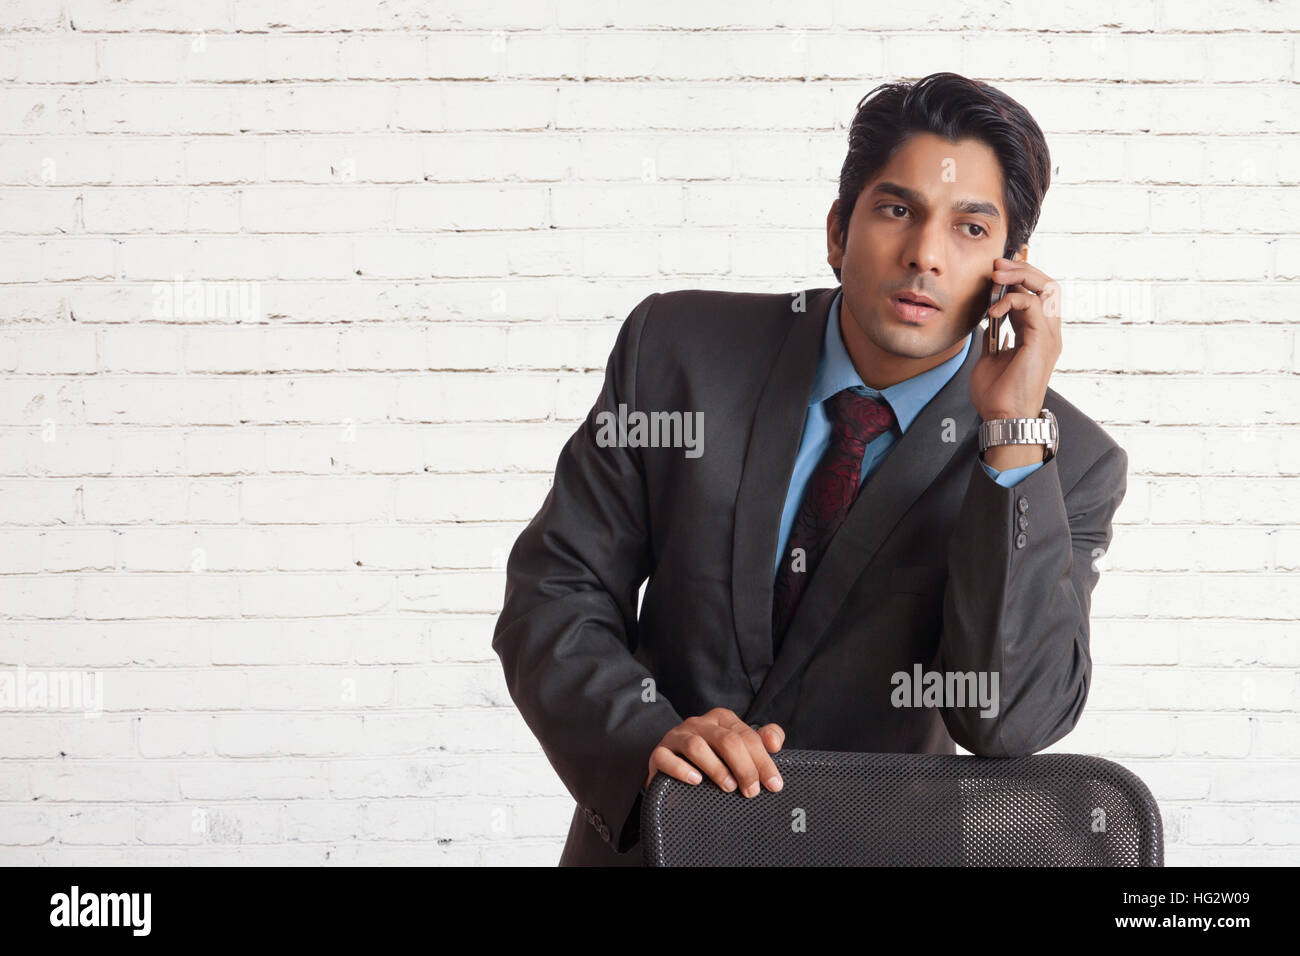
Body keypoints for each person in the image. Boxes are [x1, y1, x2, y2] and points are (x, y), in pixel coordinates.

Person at [492, 72, 1128, 866]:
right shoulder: (678, 354)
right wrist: (650, 740)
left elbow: (1011, 719)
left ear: (1012, 270)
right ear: (838, 231)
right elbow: (557, 592)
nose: (925, 255)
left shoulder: (1064, 460)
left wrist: (1010, 441)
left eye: (970, 229)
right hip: (652, 848)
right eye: (897, 210)